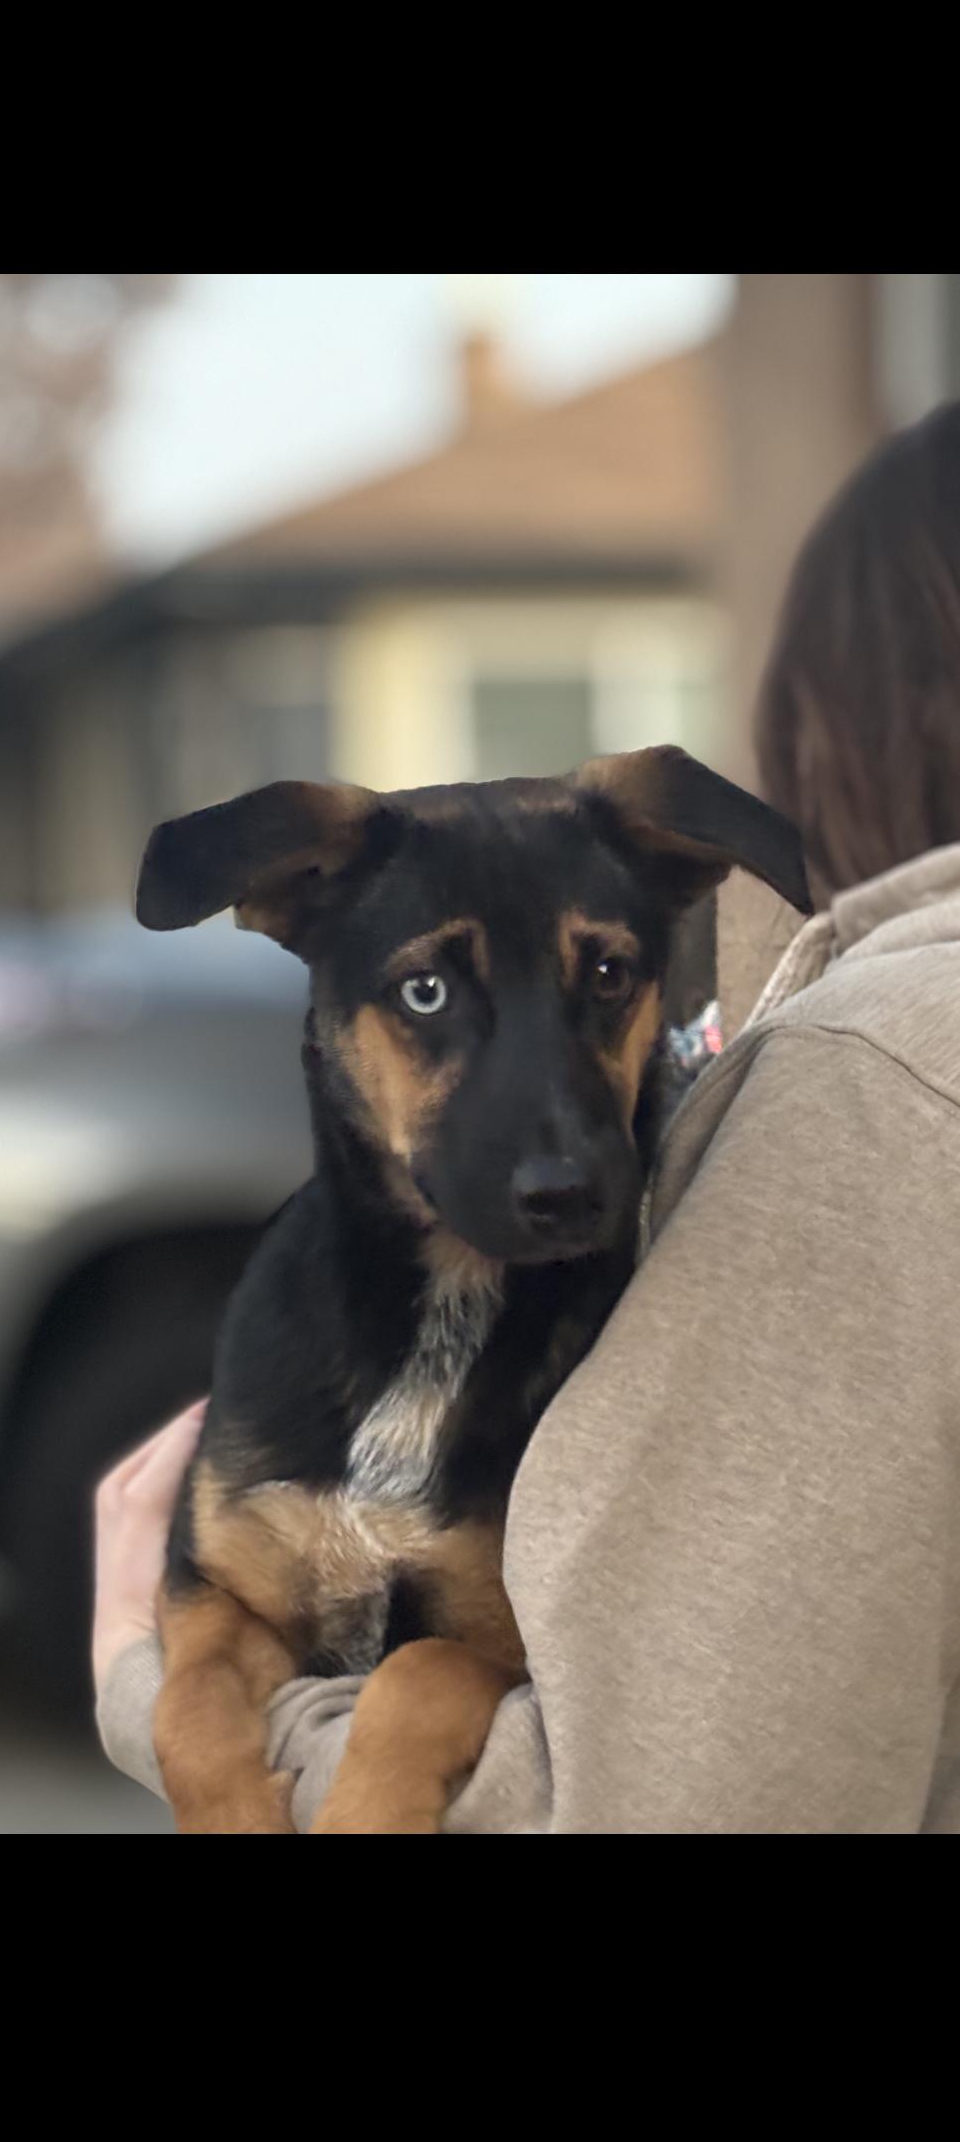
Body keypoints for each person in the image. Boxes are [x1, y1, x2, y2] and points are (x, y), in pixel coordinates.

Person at [93, 401, 960, 1833]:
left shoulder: (837, 1113)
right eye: (430, 998)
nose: (552, 1134)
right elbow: (223, 1619)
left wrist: (125, 1676)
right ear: (310, 946)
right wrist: (185, 1715)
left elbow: (623, 1742)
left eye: (600, 983)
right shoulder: (276, 1355)